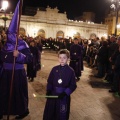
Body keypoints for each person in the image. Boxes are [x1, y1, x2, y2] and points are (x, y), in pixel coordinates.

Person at [0, 0, 32, 119]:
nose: (10, 36)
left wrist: (19, 55)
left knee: (18, 93)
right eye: (9, 34)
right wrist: (7, 56)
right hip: (5, 73)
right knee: (4, 93)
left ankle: (22, 111)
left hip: (18, 73)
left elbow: (29, 59)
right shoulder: (6, 45)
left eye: (13, 34)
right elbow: (1, 57)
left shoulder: (23, 44)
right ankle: (2, 110)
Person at [43, 49, 77, 120]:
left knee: (61, 114)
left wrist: (65, 93)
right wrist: (49, 90)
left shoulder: (71, 71)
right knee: (51, 112)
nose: (62, 60)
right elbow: (50, 81)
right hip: (53, 94)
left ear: (68, 58)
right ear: (58, 58)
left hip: (63, 96)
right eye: (60, 57)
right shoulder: (54, 69)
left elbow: (73, 85)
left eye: (64, 58)